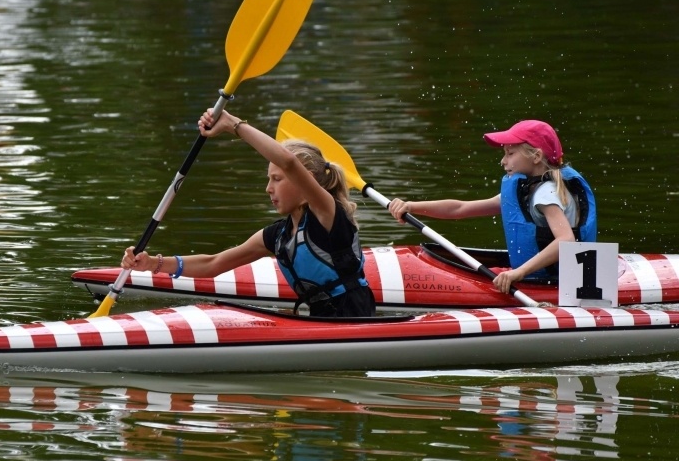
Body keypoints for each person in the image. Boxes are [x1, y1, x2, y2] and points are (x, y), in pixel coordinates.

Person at [121, 108, 376, 317]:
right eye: (269, 179)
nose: (268, 188)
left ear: (304, 180)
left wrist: (233, 124)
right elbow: (214, 263)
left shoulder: (327, 215)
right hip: (319, 321)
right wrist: (153, 264)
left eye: (277, 179)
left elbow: (288, 162)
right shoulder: (278, 236)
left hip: (356, 318)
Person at [388, 120, 597, 293]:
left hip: (553, 282)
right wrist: (411, 206)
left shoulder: (545, 195)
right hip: (545, 277)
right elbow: (460, 209)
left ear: (536, 156)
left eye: (510, 153)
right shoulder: (530, 190)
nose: (503, 161)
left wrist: (518, 273)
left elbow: (566, 240)